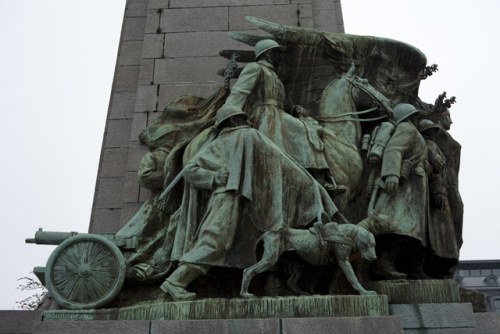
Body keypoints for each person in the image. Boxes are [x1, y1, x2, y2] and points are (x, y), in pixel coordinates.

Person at [160, 105, 339, 301]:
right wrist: (313, 185)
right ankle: (176, 281)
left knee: (219, 241)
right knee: (215, 241)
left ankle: (180, 281)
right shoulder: (248, 135)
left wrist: (212, 177)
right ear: (236, 120)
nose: (245, 122)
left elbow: (190, 170)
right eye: (242, 119)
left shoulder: (220, 143)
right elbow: (282, 161)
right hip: (228, 198)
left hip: (233, 198)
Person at [221, 39, 341, 194]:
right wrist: (228, 116)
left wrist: (294, 108)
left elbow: (282, 101)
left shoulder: (273, 75)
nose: (280, 56)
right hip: (265, 116)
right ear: (268, 54)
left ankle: (314, 176)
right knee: (305, 129)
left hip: (278, 114)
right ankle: (318, 178)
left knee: (311, 125)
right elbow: (239, 92)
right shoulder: (255, 68)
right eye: (277, 52)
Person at [369, 103, 430, 280]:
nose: (417, 118)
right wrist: (391, 174)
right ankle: (384, 263)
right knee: (403, 225)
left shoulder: (412, 130)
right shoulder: (407, 128)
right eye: (415, 115)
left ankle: (401, 265)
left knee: (410, 228)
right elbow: (394, 148)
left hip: (415, 183)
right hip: (406, 185)